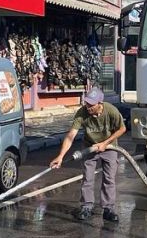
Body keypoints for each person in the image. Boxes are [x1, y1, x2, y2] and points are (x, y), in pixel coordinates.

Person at [50, 87, 127, 223]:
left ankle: (108, 208)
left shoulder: (110, 111)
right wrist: (60, 156)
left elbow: (122, 129)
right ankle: (87, 206)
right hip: (89, 147)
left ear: (100, 104)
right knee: (88, 178)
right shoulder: (82, 113)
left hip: (109, 147)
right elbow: (71, 136)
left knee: (109, 179)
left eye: (91, 104)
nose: (88, 107)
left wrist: (105, 143)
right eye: (87, 103)